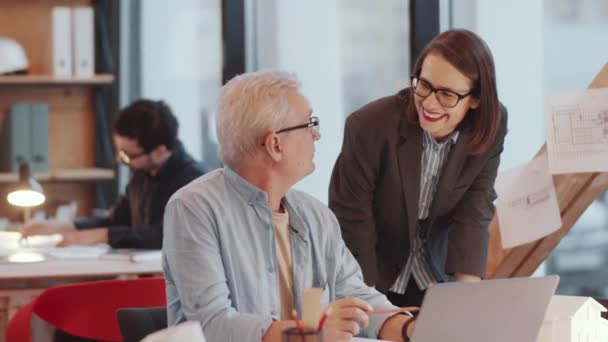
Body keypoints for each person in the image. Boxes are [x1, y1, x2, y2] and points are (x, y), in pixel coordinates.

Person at [162, 71, 415, 342]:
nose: (316, 134)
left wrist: (411, 330)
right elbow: (211, 325)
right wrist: (307, 334)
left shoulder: (316, 216)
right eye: (309, 123)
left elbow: (356, 296)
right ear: (274, 145)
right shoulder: (193, 208)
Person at [329, 29, 508, 308]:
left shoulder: (490, 126)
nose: (429, 103)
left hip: (436, 276)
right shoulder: (368, 127)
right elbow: (353, 220)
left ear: (475, 100)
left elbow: (475, 208)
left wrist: (468, 301)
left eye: (447, 94)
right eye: (424, 85)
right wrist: (373, 308)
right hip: (373, 276)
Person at [20, 99, 207, 249]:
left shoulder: (194, 183)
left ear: (160, 151)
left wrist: (102, 235)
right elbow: (118, 219)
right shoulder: (143, 174)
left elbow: (166, 235)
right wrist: (67, 226)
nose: (120, 160)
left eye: (128, 155)